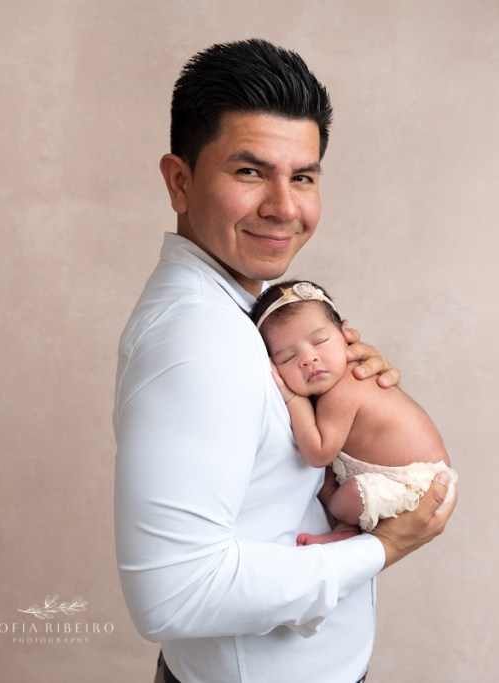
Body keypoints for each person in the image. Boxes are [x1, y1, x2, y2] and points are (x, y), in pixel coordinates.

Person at [113, 39, 457, 683]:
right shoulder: (200, 341)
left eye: (302, 177)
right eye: (250, 172)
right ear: (179, 181)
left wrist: (349, 392)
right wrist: (381, 549)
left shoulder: (251, 311)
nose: (284, 207)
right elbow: (172, 595)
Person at [251, 280, 458, 546]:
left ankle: (338, 511)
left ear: (345, 334)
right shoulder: (338, 382)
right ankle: (346, 529)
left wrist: (293, 399)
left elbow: (318, 453)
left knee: (349, 494)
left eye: (320, 341)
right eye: (288, 358)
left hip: (416, 486)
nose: (308, 359)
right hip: (405, 477)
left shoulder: (345, 388)